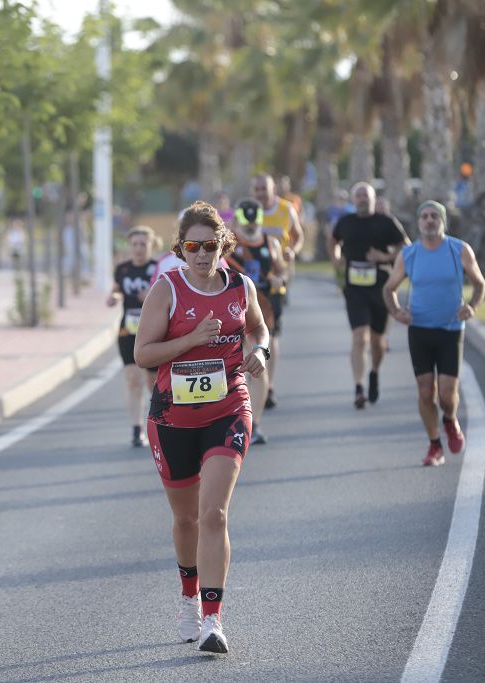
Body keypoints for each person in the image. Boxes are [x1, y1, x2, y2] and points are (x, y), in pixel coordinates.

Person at [134, 201, 269, 654]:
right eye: (192, 246)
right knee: (186, 518)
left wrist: (261, 353)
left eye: (210, 246)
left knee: (215, 514)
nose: (201, 254)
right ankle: (189, 598)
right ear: (180, 249)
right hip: (172, 417)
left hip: (228, 409)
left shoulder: (240, 286)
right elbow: (143, 355)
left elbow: (260, 329)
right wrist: (192, 340)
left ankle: (213, 619)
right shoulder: (166, 290)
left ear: (222, 246)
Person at [383, 200, 485, 466]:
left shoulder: (459, 250)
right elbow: (389, 289)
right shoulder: (409, 255)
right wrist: (397, 312)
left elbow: (479, 284)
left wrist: (472, 307)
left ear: (442, 221)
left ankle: (450, 421)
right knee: (426, 390)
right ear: (418, 223)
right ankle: (434, 445)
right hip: (419, 330)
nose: (429, 220)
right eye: (425, 216)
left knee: (447, 395)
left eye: (434, 216)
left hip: (451, 329)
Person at [328, 182, 410, 409]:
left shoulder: (386, 222)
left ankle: (374, 372)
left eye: (366, 195)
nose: (362, 199)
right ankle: (358, 387)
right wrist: (336, 259)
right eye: (359, 195)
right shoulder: (346, 222)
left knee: (377, 341)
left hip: (381, 289)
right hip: (354, 289)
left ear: (373, 199)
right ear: (354, 200)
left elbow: (407, 248)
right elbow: (333, 240)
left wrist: (384, 257)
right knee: (359, 337)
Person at [225, 199, 284, 445]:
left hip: (265, 309)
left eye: (254, 220)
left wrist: (278, 279)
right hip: (234, 309)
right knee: (236, 368)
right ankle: (232, 418)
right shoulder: (229, 245)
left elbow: (282, 271)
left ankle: (254, 424)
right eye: (245, 220)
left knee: (258, 364)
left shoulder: (271, 243)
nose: (250, 225)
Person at [252, 174, 304, 409]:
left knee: (271, 332)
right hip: (251, 278)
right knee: (249, 332)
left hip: (276, 276)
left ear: (274, 190)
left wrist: (292, 250)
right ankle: (252, 382)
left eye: (265, 189)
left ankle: (269, 385)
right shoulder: (248, 210)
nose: (261, 193)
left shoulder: (285, 210)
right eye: (257, 189)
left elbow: (298, 236)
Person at [107, 226, 159, 447]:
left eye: (143, 244)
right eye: (135, 244)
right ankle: (136, 429)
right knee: (132, 379)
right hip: (128, 330)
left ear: (151, 246)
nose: (138, 249)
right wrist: (114, 296)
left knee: (153, 382)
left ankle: (158, 421)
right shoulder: (123, 268)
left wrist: (150, 296)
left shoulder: (157, 269)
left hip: (154, 331)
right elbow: (118, 288)